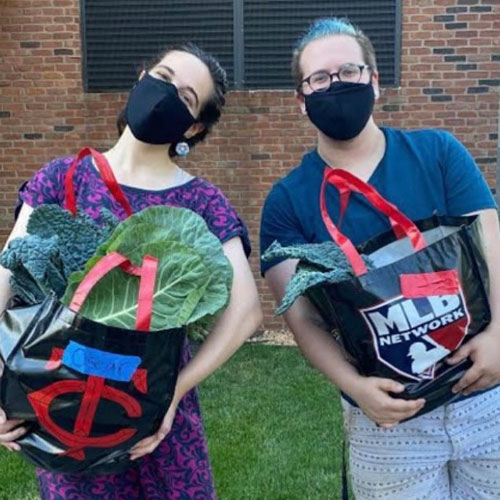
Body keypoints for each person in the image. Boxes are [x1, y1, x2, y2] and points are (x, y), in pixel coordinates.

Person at [0, 42, 263, 499]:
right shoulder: (63, 178)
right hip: (65, 401)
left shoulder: (202, 202)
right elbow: (4, 281)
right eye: (163, 77)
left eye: (184, 97)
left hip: (154, 410)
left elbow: (246, 312)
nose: (166, 94)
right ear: (141, 75)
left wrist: (174, 394)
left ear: (194, 126)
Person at [260, 18, 500, 499]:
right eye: (320, 79)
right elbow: (303, 317)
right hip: (389, 420)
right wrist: (355, 388)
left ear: (375, 80)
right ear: (301, 99)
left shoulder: (438, 152)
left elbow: (491, 247)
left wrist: (499, 337)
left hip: (485, 392)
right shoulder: (286, 201)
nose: (337, 84)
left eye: (349, 71)